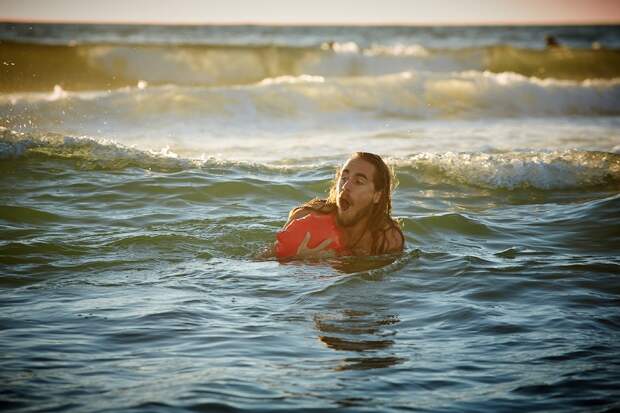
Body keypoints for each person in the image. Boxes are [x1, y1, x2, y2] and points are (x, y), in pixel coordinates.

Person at [281, 152, 405, 258]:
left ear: (377, 195)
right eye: (344, 178)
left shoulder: (386, 238)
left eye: (358, 182)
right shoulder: (304, 218)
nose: (345, 187)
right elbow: (265, 259)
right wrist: (298, 259)